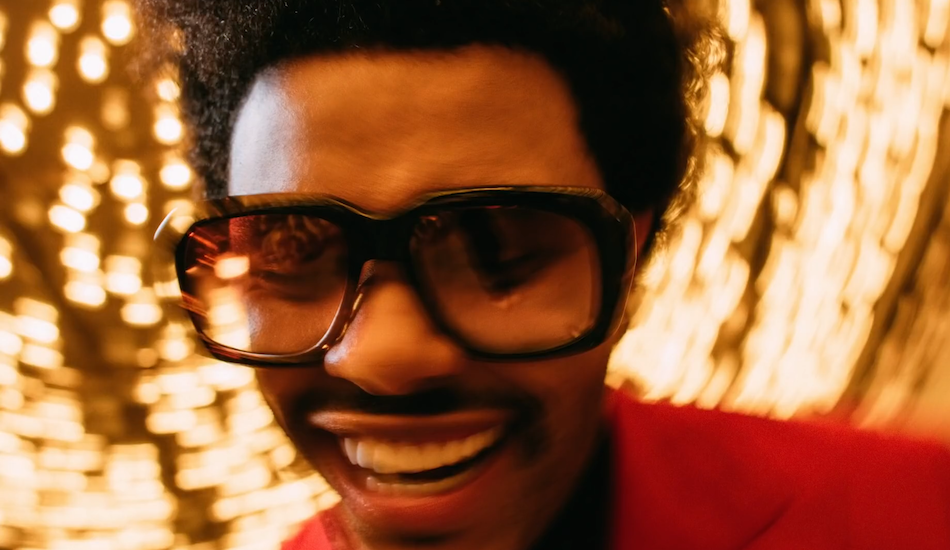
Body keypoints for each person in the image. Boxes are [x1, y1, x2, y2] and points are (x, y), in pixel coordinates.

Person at [141, 1, 950, 549]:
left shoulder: (912, 514)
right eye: (291, 251)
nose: (383, 357)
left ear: (630, 260)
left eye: (497, 249)